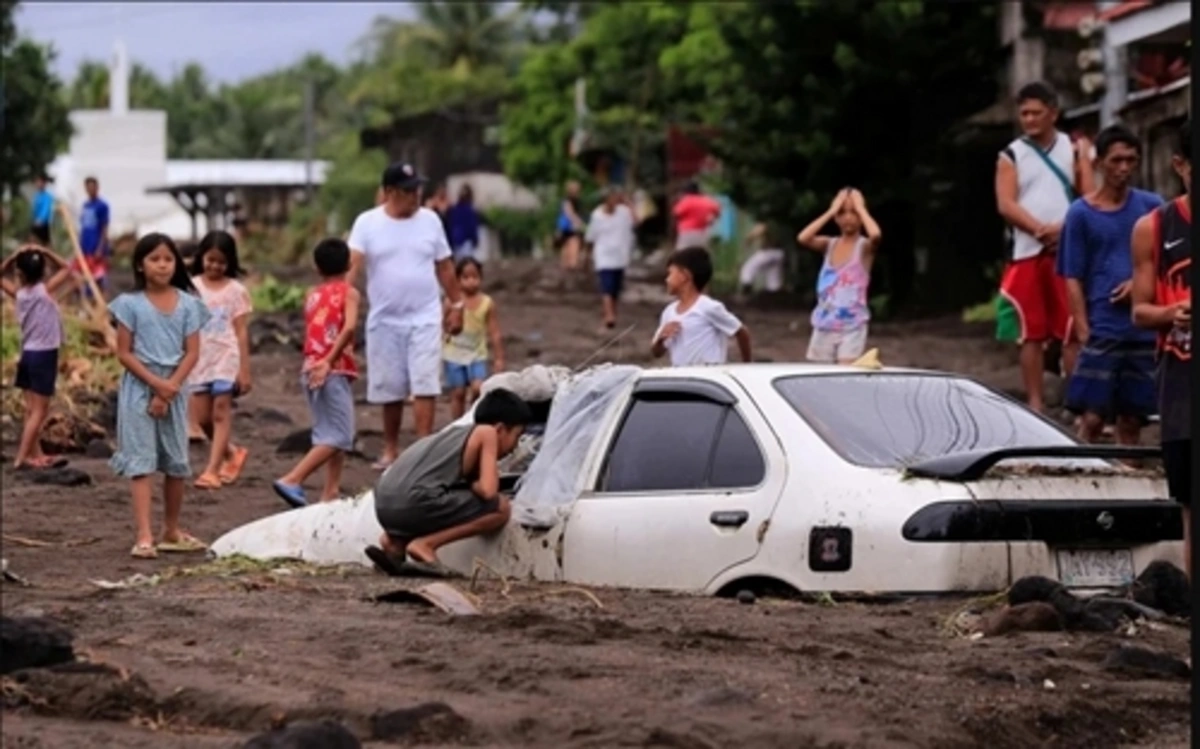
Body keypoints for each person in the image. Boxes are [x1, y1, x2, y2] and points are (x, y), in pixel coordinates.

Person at [347, 162, 465, 470]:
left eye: (417, 189)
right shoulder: (367, 223)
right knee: (390, 387)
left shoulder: (430, 221)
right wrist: (339, 300)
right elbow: (354, 264)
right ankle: (391, 450)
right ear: (389, 192)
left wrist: (458, 305)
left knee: (425, 382)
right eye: (408, 190)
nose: (415, 196)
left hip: (425, 315)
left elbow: (445, 265)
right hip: (384, 318)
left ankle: (423, 449)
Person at [1057, 125, 1163, 444]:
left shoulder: (1152, 206)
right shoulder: (1080, 214)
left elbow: (1169, 260)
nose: (1124, 168)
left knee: (1132, 418)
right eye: (1116, 160)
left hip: (1142, 326)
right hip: (1102, 326)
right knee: (1091, 416)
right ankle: (1081, 479)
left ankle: (1130, 486)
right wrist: (1083, 328)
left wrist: (1139, 283)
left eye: (1130, 160)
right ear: (1100, 162)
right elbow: (1071, 274)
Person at [108, 233, 210, 559]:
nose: (163, 265)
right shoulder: (129, 304)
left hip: (176, 388)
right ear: (141, 264)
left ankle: (171, 530)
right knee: (141, 463)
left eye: (168, 259)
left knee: (176, 463)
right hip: (140, 387)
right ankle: (144, 534)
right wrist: (156, 385)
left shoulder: (189, 304)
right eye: (155, 259)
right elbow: (124, 353)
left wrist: (169, 389)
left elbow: (192, 352)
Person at [995, 82, 1095, 412]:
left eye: (1036, 112)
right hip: (1026, 251)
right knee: (1031, 332)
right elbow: (1006, 204)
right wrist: (1039, 229)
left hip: (1068, 250)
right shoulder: (1011, 155)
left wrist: (1064, 229)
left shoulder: (1076, 149)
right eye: (1024, 113)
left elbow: (1089, 197)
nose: (1030, 119)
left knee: (1071, 329)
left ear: (1054, 113)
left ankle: (1075, 402)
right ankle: (1035, 404)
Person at [364, 388, 533, 575]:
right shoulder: (487, 433)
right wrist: (474, 485)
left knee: (438, 500)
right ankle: (425, 545)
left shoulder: (451, 436)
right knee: (501, 508)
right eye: (517, 437)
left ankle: (394, 543)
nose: (515, 447)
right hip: (413, 501)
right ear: (500, 429)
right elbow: (488, 491)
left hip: (383, 506)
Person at [1131, 120, 1190, 576]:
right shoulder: (1154, 227)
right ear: (1180, 166)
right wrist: (1174, 314)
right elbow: (1140, 310)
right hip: (1182, 380)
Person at [273, 238, 362, 507]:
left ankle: (330, 491)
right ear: (349, 264)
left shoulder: (312, 295)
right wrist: (330, 360)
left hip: (311, 367)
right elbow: (348, 327)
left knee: (330, 431)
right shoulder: (349, 292)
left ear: (316, 267)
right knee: (340, 435)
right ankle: (292, 479)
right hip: (329, 368)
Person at [188, 230, 252, 489]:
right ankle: (232, 453)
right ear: (202, 257)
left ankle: (212, 471)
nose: (215, 266)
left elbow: (240, 331)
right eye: (210, 260)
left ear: (230, 263)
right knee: (203, 419)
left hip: (226, 357)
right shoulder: (191, 288)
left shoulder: (236, 290)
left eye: (221, 262)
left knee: (220, 412)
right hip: (200, 359)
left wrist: (244, 369)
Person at [1, 246, 72, 470]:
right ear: (43, 272)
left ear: (20, 274)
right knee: (40, 411)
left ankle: (36, 455)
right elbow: (67, 268)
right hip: (44, 355)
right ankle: (21, 459)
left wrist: (13, 257)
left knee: (30, 410)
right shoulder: (44, 291)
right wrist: (45, 251)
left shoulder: (20, 295)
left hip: (28, 354)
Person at [796, 188, 883, 363]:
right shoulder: (829, 244)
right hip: (824, 323)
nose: (848, 218)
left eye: (854, 212)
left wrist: (861, 208)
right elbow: (803, 238)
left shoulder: (863, 247)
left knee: (845, 374)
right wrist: (830, 211)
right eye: (842, 212)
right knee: (819, 375)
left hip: (852, 326)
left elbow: (875, 234)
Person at [652, 246, 752, 366]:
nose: (667, 279)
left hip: (708, 378)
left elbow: (741, 332)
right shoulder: (669, 312)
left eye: (670, 274)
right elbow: (656, 353)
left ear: (685, 275)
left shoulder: (709, 307)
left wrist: (747, 365)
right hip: (680, 378)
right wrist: (661, 340)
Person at [443, 257, 504, 420]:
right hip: (453, 353)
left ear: (481, 278)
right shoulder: (451, 302)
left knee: (478, 388)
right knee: (458, 392)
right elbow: (442, 326)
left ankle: (472, 418)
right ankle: (456, 425)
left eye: (475, 277)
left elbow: (494, 332)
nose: (471, 282)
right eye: (466, 277)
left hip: (477, 354)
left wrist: (498, 358)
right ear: (457, 280)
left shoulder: (487, 303)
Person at [585, 187, 638, 330]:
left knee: (615, 289)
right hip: (603, 256)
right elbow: (591, 236)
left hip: (620, 257)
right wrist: (587, 255)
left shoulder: (624, 212)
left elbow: (636, 221)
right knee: (606, 286)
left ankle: (611, 313)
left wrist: (629, 203)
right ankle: (609, 315)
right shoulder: (597, 215)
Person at [77, 176, 111, 292]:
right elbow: (83, 227)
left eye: (92, 187)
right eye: (88, 187)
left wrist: (100, 248)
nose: (90, 190)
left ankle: (103, 303)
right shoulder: (85, 205)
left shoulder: (102, 206)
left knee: (99, 277)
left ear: (97, 188)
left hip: (96, 246)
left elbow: (104, 228)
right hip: (86, 246)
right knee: (86, 276)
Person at [738, 223, 786, 298]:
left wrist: (748, 239)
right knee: (773, 278)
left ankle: (746, 293)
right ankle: (774, 298)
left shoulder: (768, 222)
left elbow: (760, 229)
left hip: (767, 252)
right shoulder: (780, 224)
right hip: (779, 253)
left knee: (748, 268)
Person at [672, 181, 721, 250]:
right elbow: (717, 210)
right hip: (702, 233)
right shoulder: (706, 200)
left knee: (682, 255)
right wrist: (710, 220)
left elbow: (676, 214)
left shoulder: (686, 200)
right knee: (701, 254)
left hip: (687, 233)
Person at [556, 180, 587, 271]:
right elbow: (569, 213)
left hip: (566, 227)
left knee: (567, 245)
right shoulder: (568, 201)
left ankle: (567, 265)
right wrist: (580, 222)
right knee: (573, 243)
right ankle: (572, 264)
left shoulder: (572, 200)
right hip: (571, 227)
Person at [446, 183, 482, 261]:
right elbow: (472, 227)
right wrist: (475, 240)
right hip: (466, 242)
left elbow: (450, 225)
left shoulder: (454, 209)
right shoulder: (470, 210)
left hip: (457, 241)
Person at [29, 175, 55, 246]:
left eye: (40, 182)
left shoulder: (48, 196)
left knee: (45, 243)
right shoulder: (36, 196)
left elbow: (46, 210)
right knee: (33, 241)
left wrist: (41, 220)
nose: (38, 184)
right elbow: (34, 210)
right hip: (35, 222)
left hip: (43, 224)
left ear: (44, 184)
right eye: (37, 182)